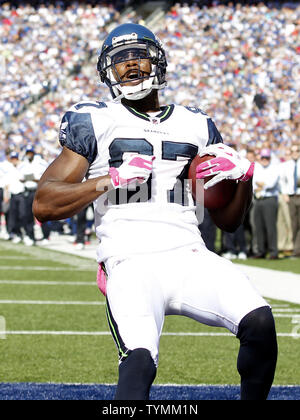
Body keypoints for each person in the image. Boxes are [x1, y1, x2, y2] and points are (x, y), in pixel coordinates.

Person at [33, 23, 277, 401]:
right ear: (107, 72)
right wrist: (107, 180)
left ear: (158, 63)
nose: (130, 67)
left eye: (139, 58)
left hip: (190, 255)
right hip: (130, 260)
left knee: (260, 323)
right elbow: (44, 203)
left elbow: (229, 222)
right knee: (140, 362)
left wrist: (244, 179)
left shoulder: (197, 124)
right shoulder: (95, 119)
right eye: (120, 62)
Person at [252, 148, 280, 259]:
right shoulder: (257, 167)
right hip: (258, 199)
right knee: (258, 226)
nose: (264, 159)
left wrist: (261, 184)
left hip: (270, 199)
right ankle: (260, 250)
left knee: (270, 226)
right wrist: (261, 184)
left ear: (270, 158)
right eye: (263, 157)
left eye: (266, 157)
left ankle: (273, 251)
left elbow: (271, 184)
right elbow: (253, 183)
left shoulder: (274, 168)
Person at [279, 145, 300, 257]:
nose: (295, 153)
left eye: (297, 150)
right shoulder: (287, 165)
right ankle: (296, 249)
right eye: (293, 151)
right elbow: (282, 181)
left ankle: (297, 249)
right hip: (291, 197)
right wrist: (284, 193)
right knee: (294, 224)